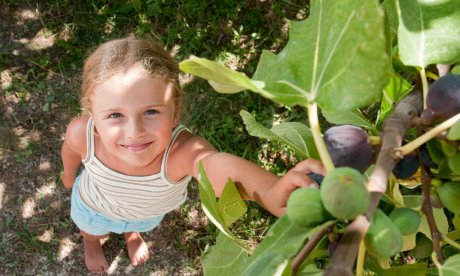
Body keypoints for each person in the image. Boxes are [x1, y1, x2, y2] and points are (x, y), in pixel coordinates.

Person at [60, 37, 326, 274]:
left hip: (146, 214)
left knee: (135, 225)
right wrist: (69, 173)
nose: (135, 132)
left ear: (175, 112)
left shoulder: (180, 152)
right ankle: (91, 243)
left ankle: (132, 232)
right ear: (93, 117)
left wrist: (269, 190)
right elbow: (71, 152)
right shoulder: (82, 133)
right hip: (94, 207)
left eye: (151, 112)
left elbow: (212, 166)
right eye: (115, 115)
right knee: (92, 230)